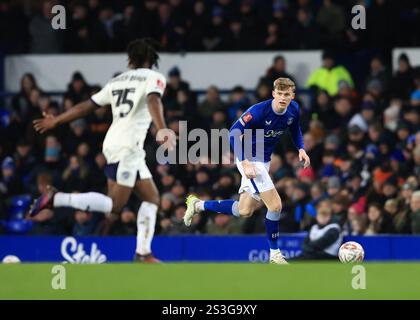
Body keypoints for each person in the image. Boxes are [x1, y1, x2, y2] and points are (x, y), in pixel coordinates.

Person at [29, 39, 176, 262]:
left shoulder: (117, 81)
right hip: (127, 146)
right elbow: (154, 100)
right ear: (151, 60)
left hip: (116, 143)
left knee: (152, 199)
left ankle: (143, 252)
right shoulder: (154, 78)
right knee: (114, 206)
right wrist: (163, 129)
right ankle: (56, 198)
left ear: (130, 60)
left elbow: (87, 106)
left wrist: (57, 120)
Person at [184, 78, 310, 264]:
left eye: (287, 94)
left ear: (292, 96)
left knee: (244, 210)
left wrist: (301, 148)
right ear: (273, 94)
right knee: (275, 206)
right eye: (280, 94)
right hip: (250, 158)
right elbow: (234, 132)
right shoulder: (259, 111)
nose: (283, 98)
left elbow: (295, 127)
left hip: (264, 160)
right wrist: (244, 163)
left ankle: (197, 205)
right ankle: (274, 254)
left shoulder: (294, 109)